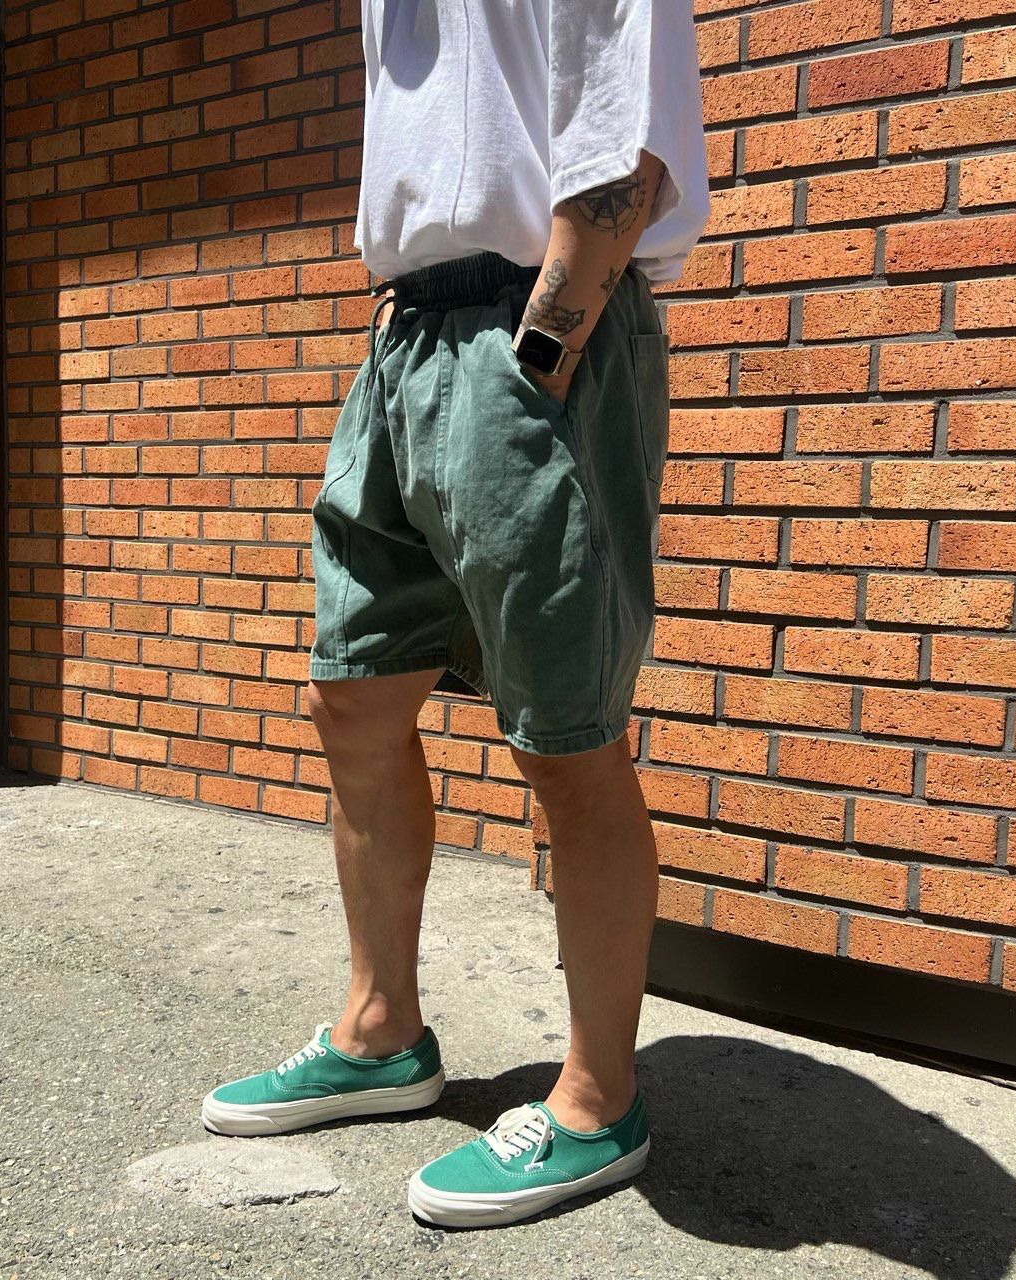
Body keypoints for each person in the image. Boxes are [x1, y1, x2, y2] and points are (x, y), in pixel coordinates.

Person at [201, 0, 709, 1228]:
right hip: (405, 334)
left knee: (565, 735)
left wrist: (538, 357)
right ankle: (380, 1031)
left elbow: (623, 140)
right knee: (350, 695)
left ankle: (597, 1098)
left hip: (530, 325)